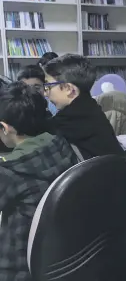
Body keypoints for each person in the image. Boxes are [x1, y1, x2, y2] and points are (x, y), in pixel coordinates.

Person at [0, 82, 78, 281]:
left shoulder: (10, 170)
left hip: (19, 267)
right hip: (64, 256)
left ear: (4, 127)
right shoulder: (61, 144)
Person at [43, 54, 125, 160]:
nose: (45, 94)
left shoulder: (69, 122)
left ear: (69, 89)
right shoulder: (90, 108)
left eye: (48, 86)